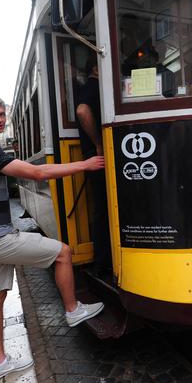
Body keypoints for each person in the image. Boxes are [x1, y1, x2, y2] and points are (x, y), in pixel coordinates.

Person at [0, 94, 105, 381]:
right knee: (63, 252)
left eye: (2, 114)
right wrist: (85, 164)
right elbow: (38, 173)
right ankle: (73, 309)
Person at [75, 58, 112, 276]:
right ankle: (103, 263)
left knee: (104, 208)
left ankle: (103, 262)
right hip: (98, 156)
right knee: (105, 209)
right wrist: (98, 143)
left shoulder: (95, 87)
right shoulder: (93, 86)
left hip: (96, 155)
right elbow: (82, 111)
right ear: (96, 68)